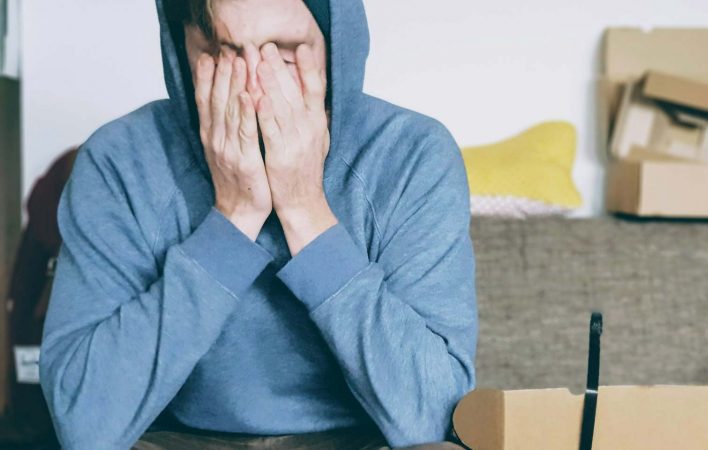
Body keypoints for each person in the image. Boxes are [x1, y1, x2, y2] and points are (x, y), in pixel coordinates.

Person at [38, 0, 477, 449]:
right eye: (223, 53)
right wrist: (234, 217)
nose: (252, 88)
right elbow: (85, 425)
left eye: (283, 55)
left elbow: (435, 417)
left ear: (335, 47)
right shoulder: (119, 158)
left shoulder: (413, 154)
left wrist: (305, 209)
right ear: (180, 47)